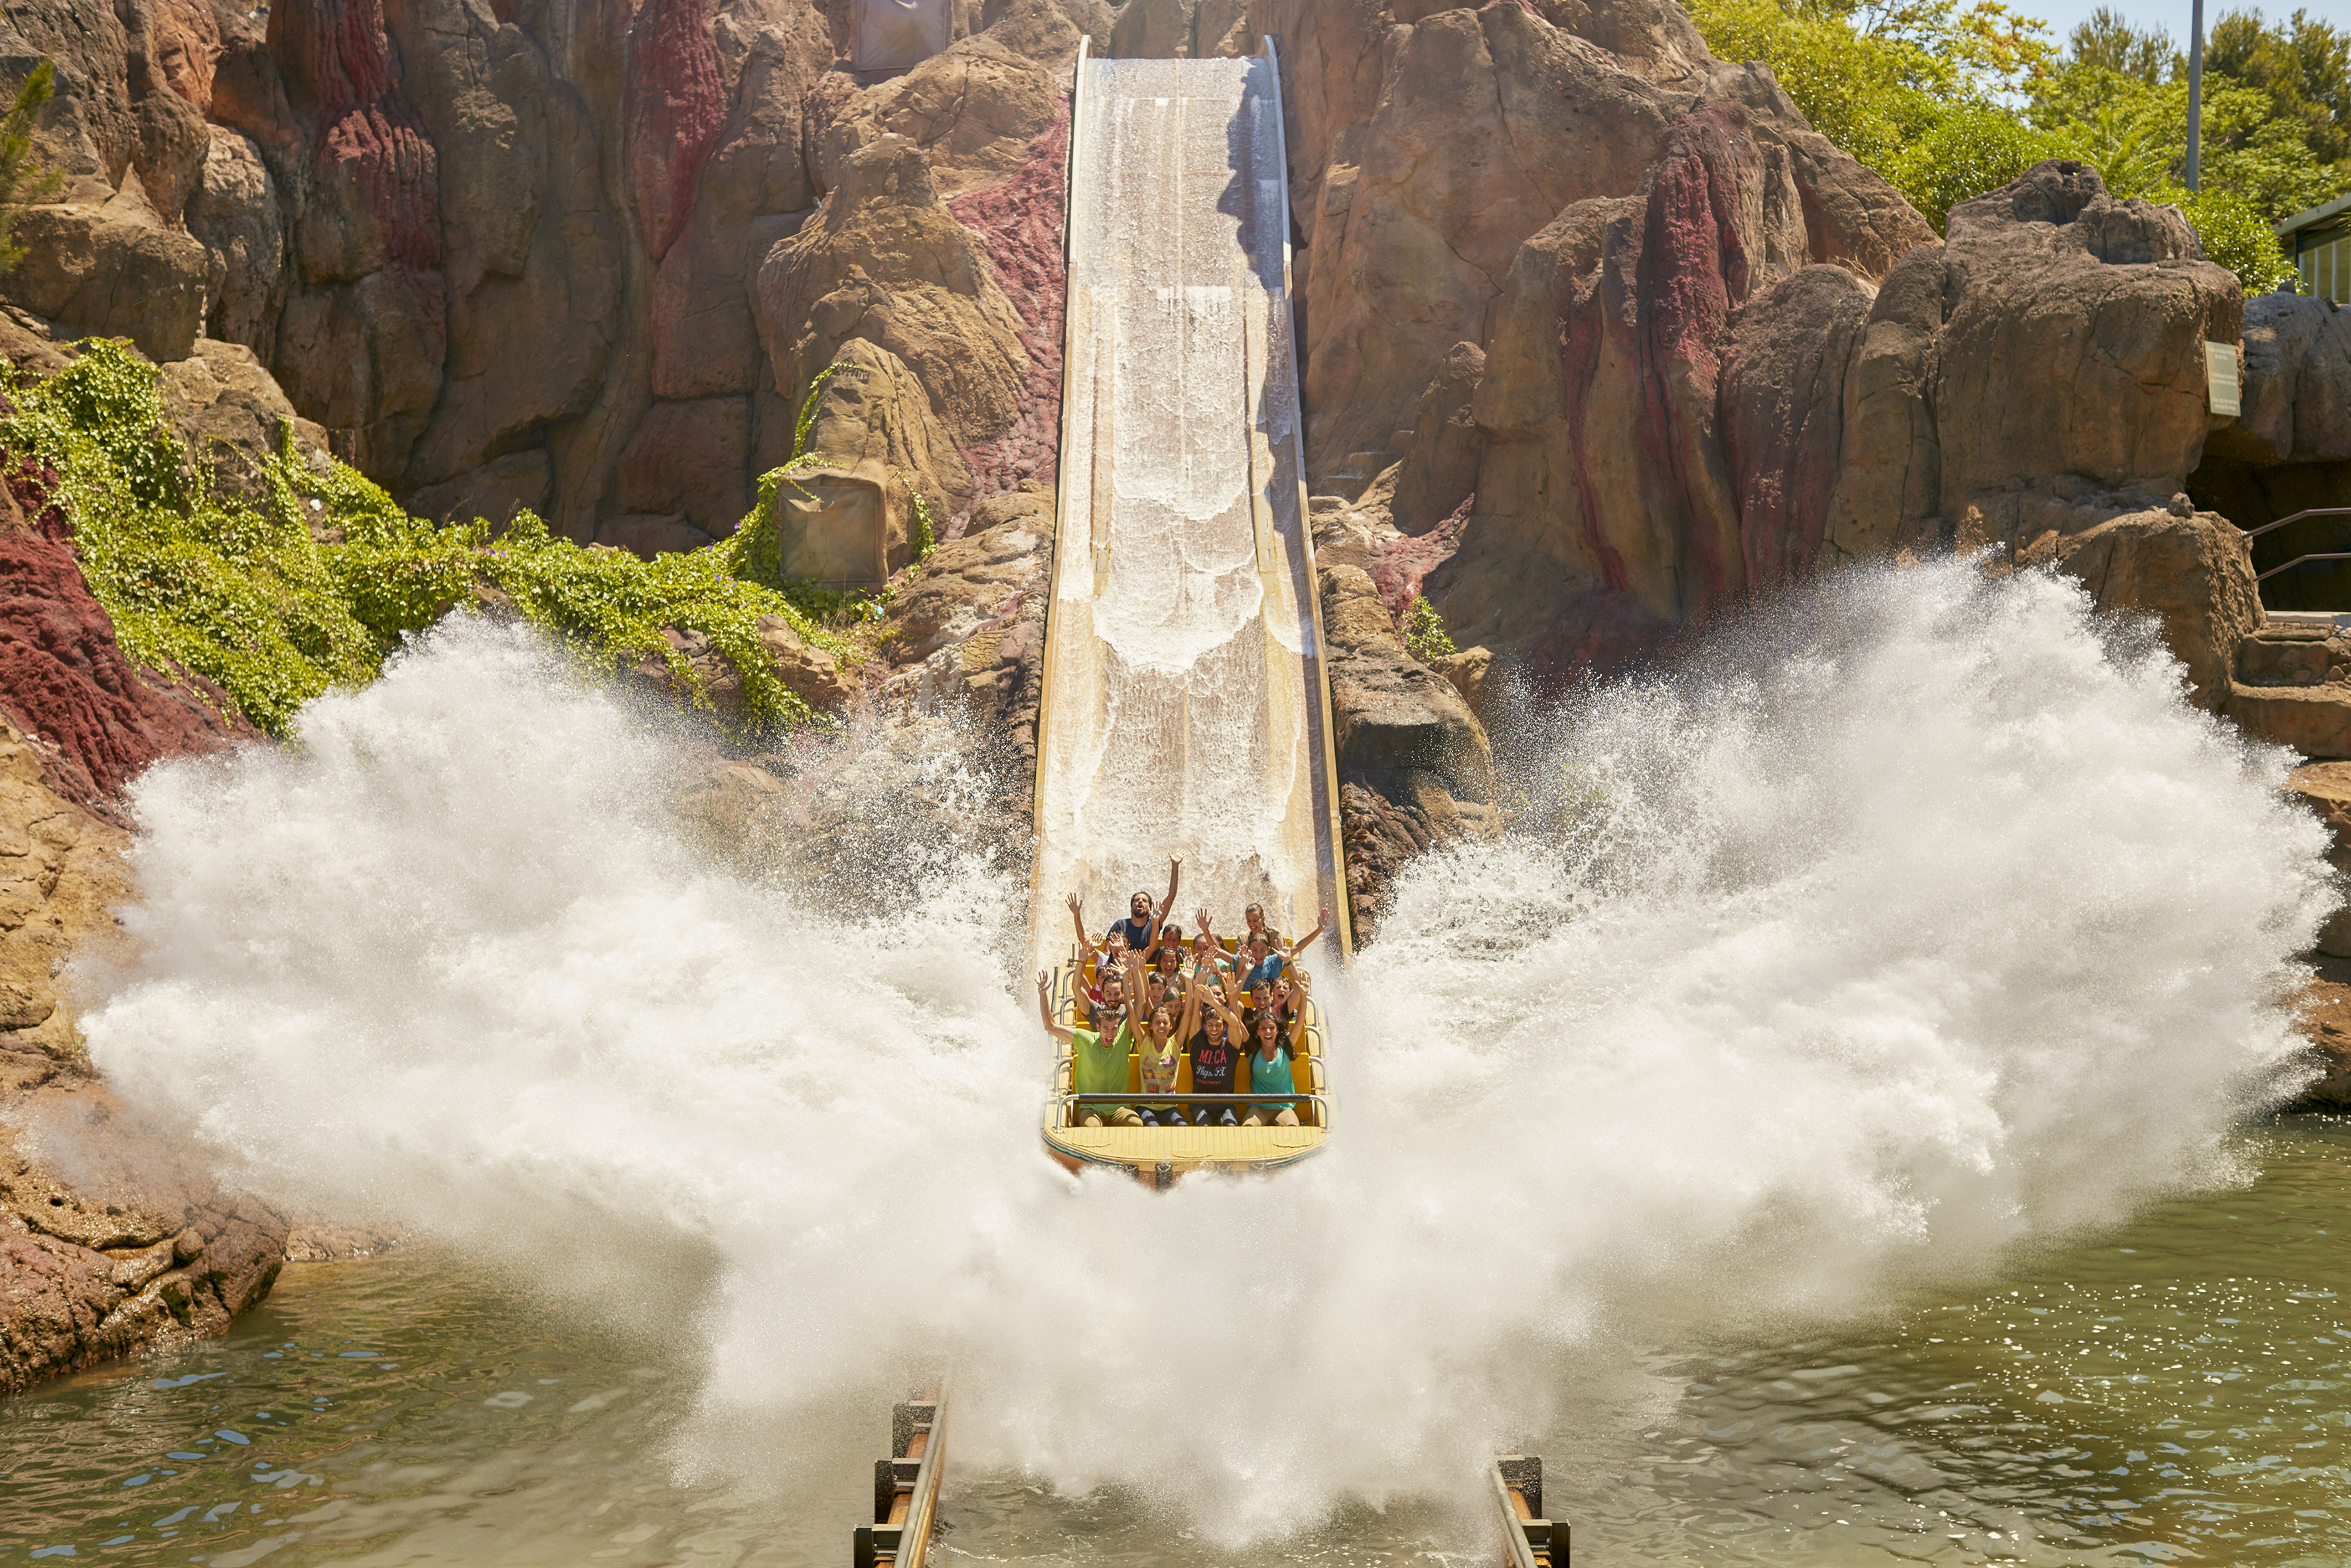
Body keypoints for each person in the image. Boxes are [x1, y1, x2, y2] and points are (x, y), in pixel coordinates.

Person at [1038, 966, 1140, 1128]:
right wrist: (1043, 995)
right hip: (1091, 1107)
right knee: (1092, 1128)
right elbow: (1050, 1026)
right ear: (1098, 1028)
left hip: (1118, 1108)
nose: (1110, 1034)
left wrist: (1131, 974)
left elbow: (1139, 1003)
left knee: (1136, 1124)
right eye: (1106, 1029)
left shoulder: (1123, 1039)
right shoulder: (1085, 1039)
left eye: (1114, 1029)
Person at [1185, 969, 1247, 1127]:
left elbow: (1235, 1023)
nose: (1214, 1029)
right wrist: (1202, 980)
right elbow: (1195, 1011)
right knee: (1203, 1125)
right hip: (1200, 1103)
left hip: (1226, 1104)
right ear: (1204, 1027)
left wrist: (1214, 1002)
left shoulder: (1231, 1044)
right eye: (1210, 1025)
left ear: (1223, 1026)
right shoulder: (1198, 1041)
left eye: (1218, 1025)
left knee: (1231, 1125)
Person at [1242, 1004, 1307, 1127]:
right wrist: (1233, 997)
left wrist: (1303, 996)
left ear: (1277, 1031)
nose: (1268, 1032)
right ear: (1258, 1032)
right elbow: (1236, 1023)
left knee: (1293, 1128)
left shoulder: (1285, 1048)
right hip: (1259, 1109)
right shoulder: (1253, 1050)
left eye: (1272, 1028)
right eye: (1263, 1028)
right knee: (1247, 1128)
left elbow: (1299, 1022)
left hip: (1283, 1108)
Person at [1106, 857, 1182, 961]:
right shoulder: (1120, 925)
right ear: (1131, 907)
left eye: (1144, 901)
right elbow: (1107, 952)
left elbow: (1171, 895)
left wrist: (1175, 865)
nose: (1140, 902)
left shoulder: (1154, 923)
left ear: (1150, 909)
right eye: (1137, 900)